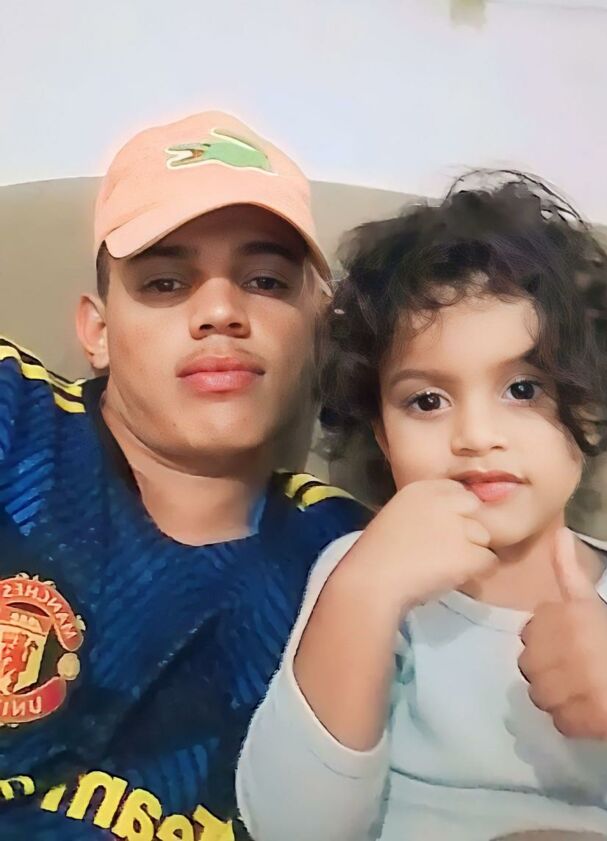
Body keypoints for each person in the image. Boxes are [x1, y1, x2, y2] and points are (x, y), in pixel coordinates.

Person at [236, 173, 607, 840]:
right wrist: (364, 595)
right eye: (427, 401)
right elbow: (289, 827)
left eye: (523, 388)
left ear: (590, 408)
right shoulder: (363, 574)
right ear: (382, 434)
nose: (476, 435)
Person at [0, 110, 368, 839]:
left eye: (265, 280)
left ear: (317, 329)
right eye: (166, 282)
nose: (221, 311)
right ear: (98, 330)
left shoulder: (351, 562)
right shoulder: (18, 424)